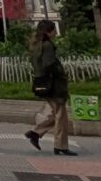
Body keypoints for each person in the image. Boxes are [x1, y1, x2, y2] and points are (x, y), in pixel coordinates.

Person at [24, 18, 76, 155]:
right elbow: (49, 64)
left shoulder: (37, 45)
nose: (56, 33)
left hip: (42, 82)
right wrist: (61, 73)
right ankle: (61, 146)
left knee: (56, 112)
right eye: (54, 30)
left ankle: (35, 133)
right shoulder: (47, 45)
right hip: (53, 83)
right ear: (48, 31)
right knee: (61, 115)